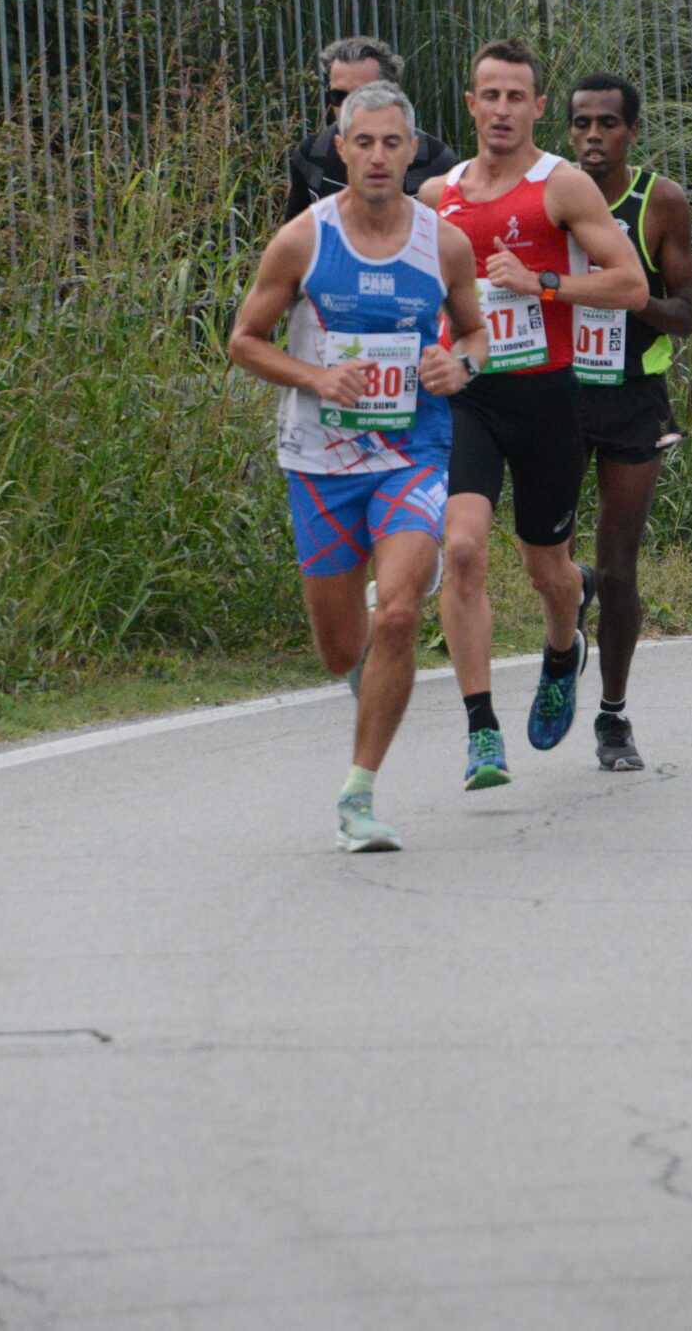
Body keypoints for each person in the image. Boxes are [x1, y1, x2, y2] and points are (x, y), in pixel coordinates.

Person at [227, 82, 490, 852]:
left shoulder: (443, 242)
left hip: (412, 450)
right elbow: (244, 338)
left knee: (400, 611)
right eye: (363, 142)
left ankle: (358, 795)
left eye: (392, 143)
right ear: (340, 149)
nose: (378, 156)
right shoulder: (303, 241)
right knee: (344, 647)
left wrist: (460, 368)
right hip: (320, 459)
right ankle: (369, 671)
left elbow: (473, 335)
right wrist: (314, 377)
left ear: (413, 150)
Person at [427, 41, 647, 790]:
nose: (501, 111)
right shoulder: (439, 196)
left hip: (549, 398)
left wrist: (542, 283)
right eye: (489, 96)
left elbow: (631, 284)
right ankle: (481, 729)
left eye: (516, 97)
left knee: (546, 569)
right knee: (461, 550)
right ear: (470, 103)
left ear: (537, 106)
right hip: (471, 398)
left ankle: (562, 650)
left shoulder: (563, 188)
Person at [564, 73, 692, 772]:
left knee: (621, 569)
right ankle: (568, 596)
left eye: (608, 123)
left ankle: (612, 716)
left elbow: (686, 314)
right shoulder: (547, 197)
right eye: (582, 122)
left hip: (631, 396)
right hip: (556, 393)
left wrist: (631, 297)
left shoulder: (659, 202)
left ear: (632, 133)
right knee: (547, 560)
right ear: (567, 133)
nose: (594, 135)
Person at [285, 36, 463, 217]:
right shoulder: (310, 155)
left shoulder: (438, 161)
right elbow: (294, 237)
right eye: (338, 96)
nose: (349, 107)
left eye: (363, 96)